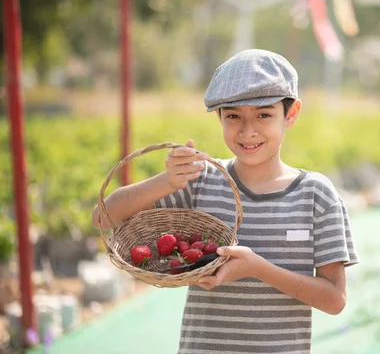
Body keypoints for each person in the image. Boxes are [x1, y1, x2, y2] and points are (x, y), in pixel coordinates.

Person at [92, 49, 359, 353]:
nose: (248, 131)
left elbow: (335, 299)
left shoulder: (316, 195)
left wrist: (257, 268)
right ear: (219, 116)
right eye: (233, 116)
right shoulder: (202, 180)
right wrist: (167, 180)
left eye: (264, 115)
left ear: (291, 113)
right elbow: (103, 217)